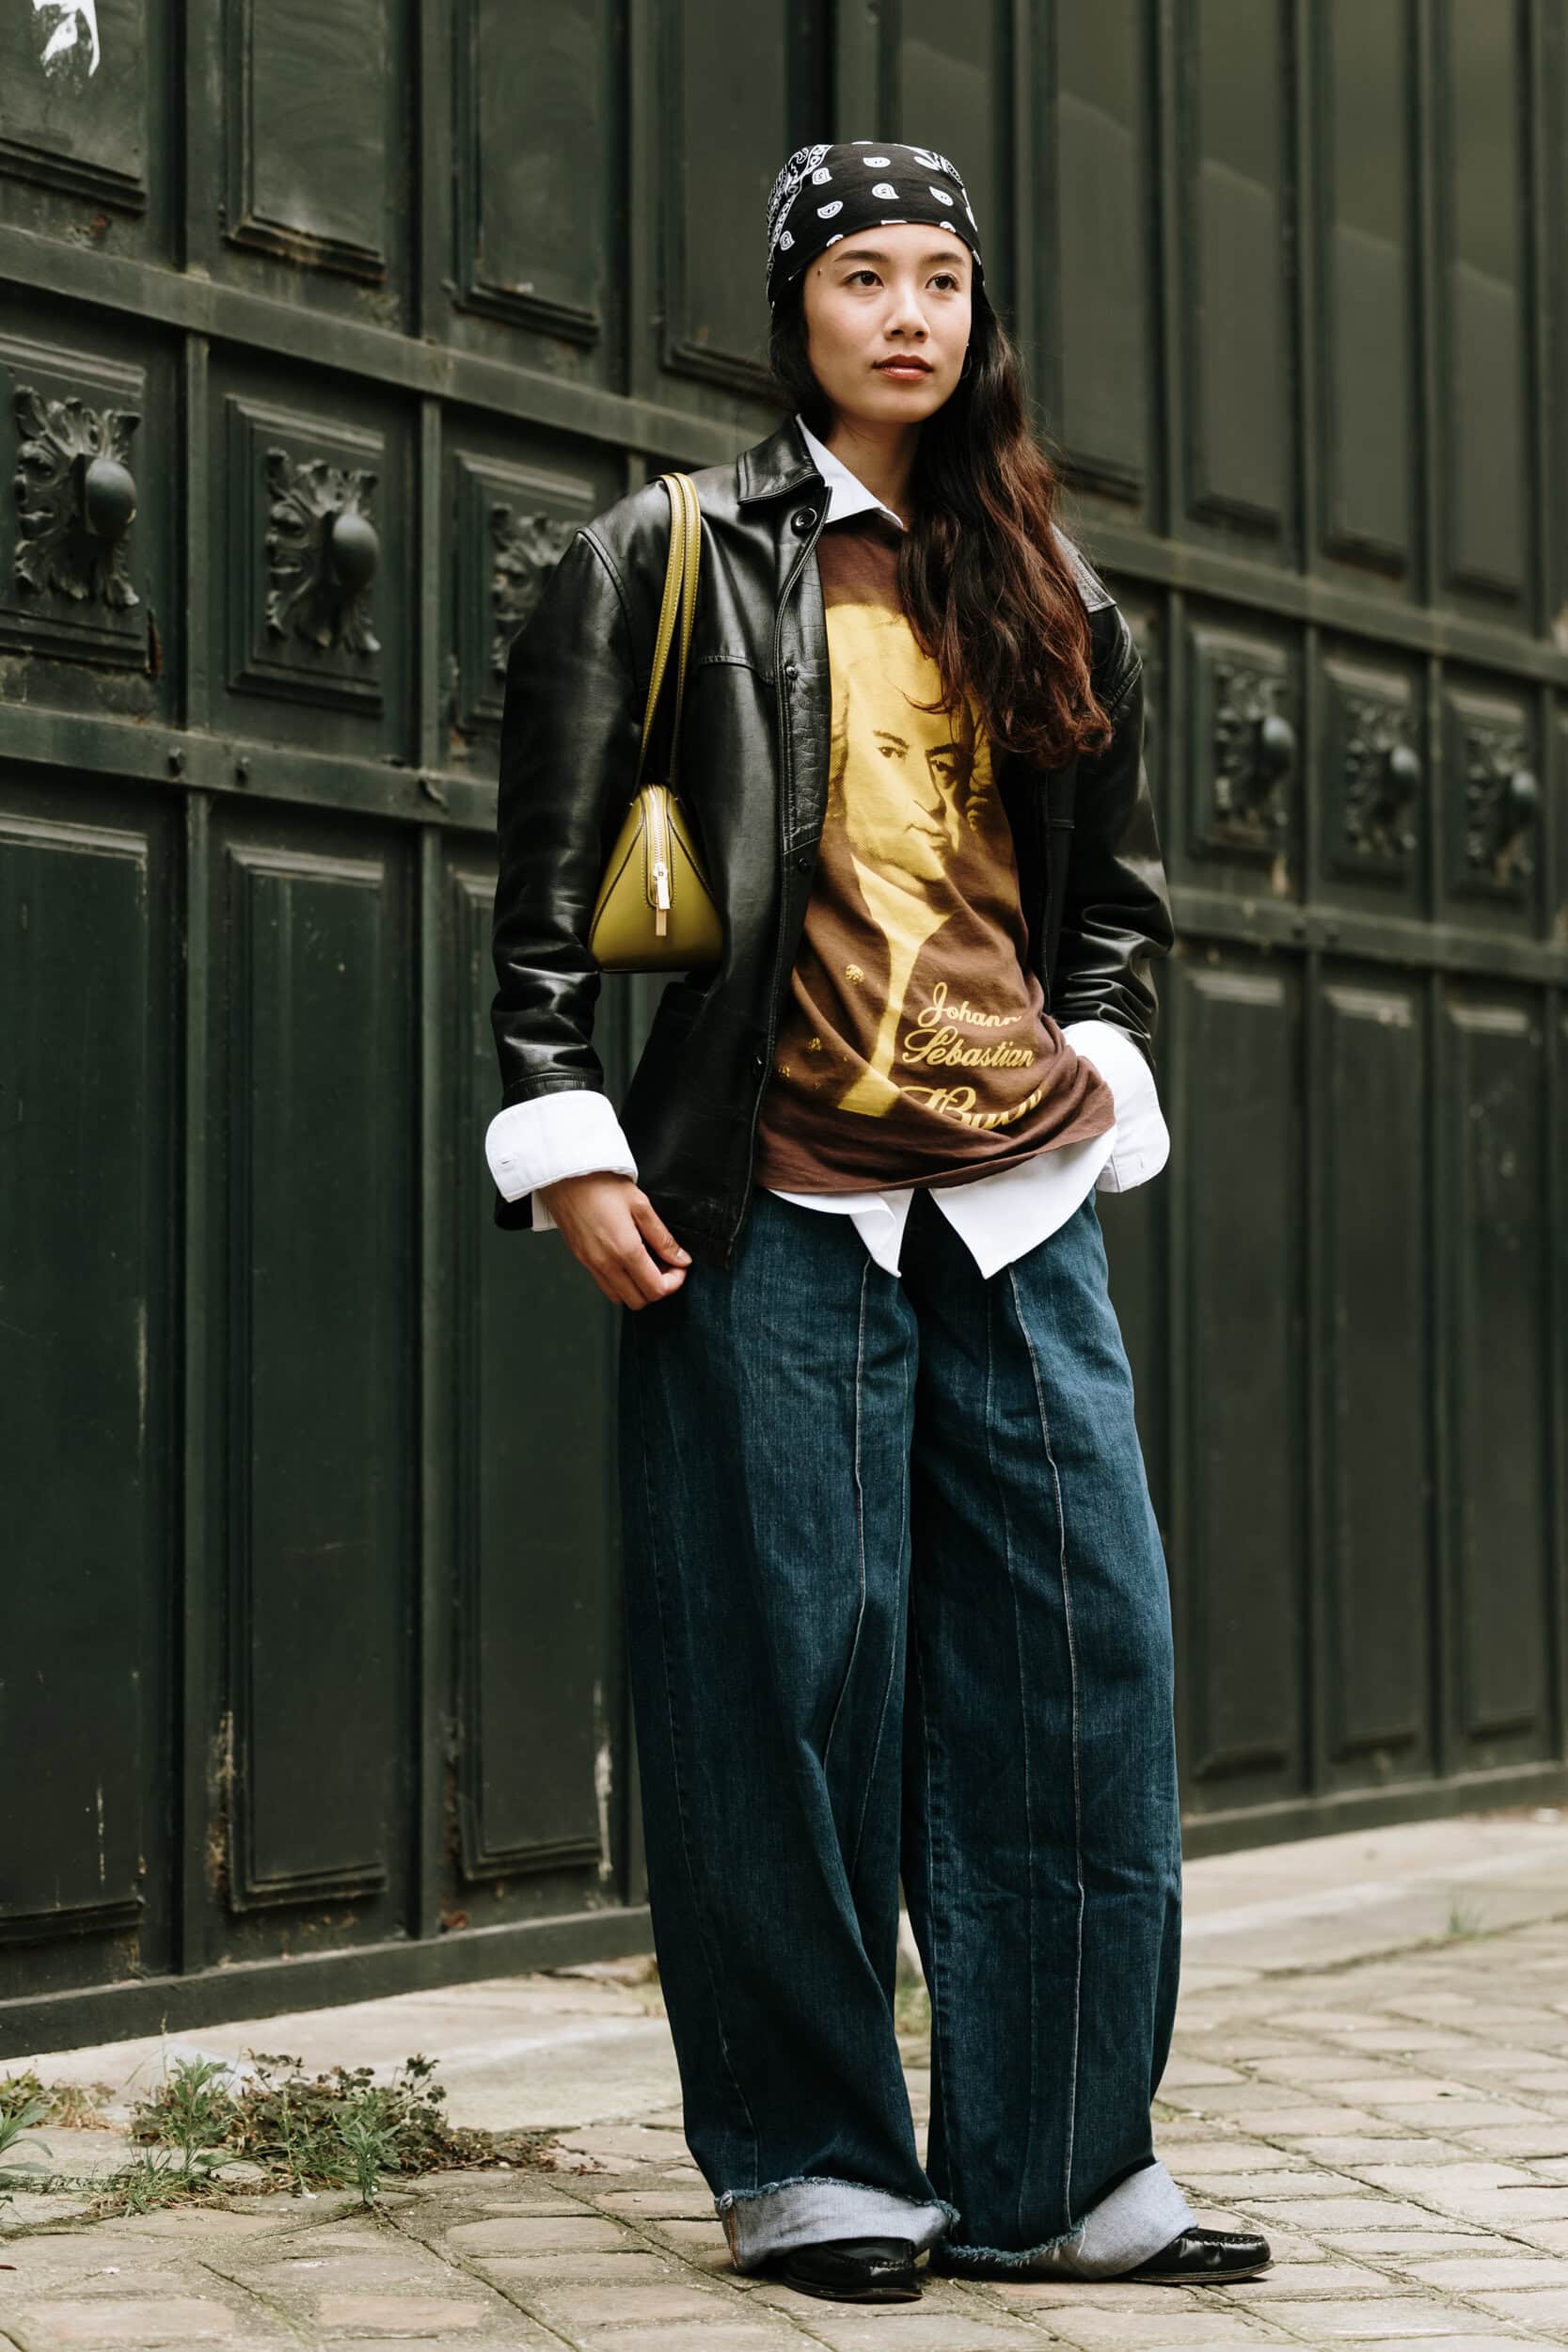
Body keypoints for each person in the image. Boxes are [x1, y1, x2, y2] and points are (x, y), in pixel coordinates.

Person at [485, 136, 1272, 2310]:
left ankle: (1064, 2163)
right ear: (796, 309)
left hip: (1017, 1198)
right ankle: (818, 2159)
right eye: (862, 276)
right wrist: (565, 1130)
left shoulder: (1051, 583)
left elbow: (1107, 905)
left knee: (1082, 1672)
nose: (907, 311)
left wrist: (1100, 1060)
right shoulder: (666, 556)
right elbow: (542, 891)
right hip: (771, 1198)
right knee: (785, 1682)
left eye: (940, 275)